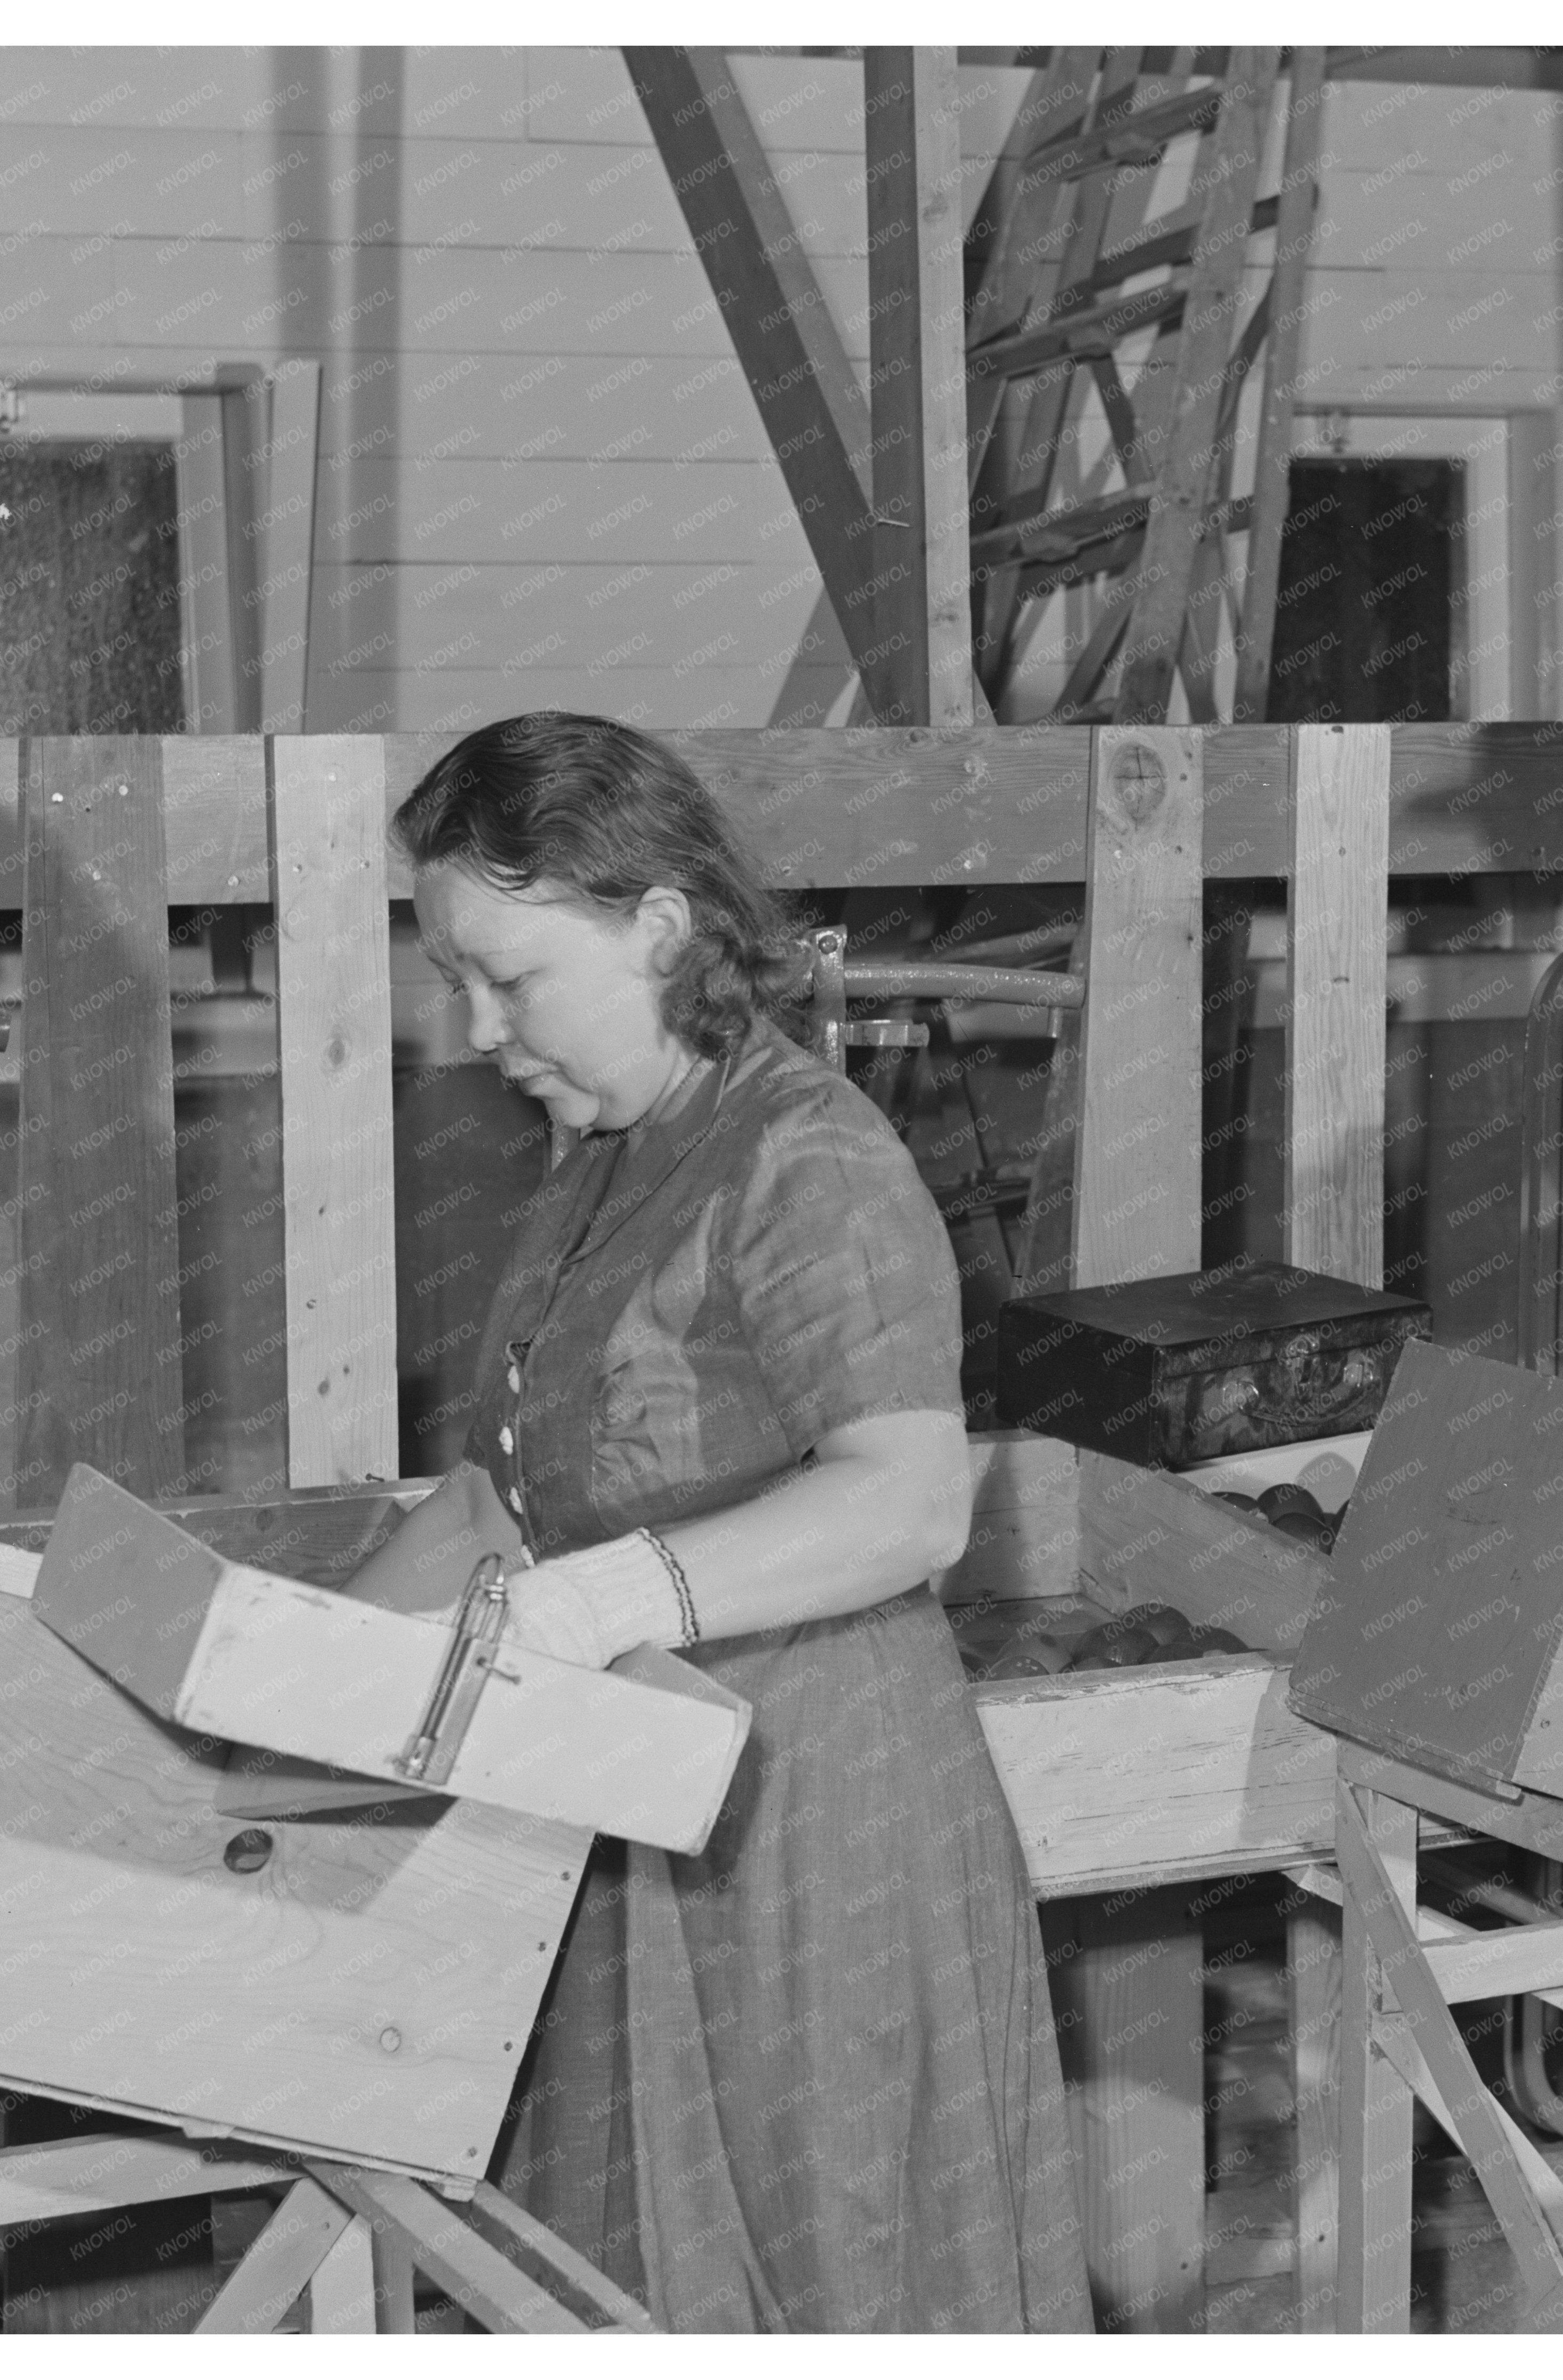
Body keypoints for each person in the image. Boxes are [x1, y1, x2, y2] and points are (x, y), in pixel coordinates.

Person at [393, 711, 1089, 2332]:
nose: (484, 1029)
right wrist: (304, 1676)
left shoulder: (808, 1159)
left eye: (515, 977)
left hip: (806, 1822)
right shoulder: (599, 1154)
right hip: (638, 1801)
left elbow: (913, 1502)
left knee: (827, 2261)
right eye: (459, 987)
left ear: (658, 928)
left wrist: (606, 1596)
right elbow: (506, 1482)